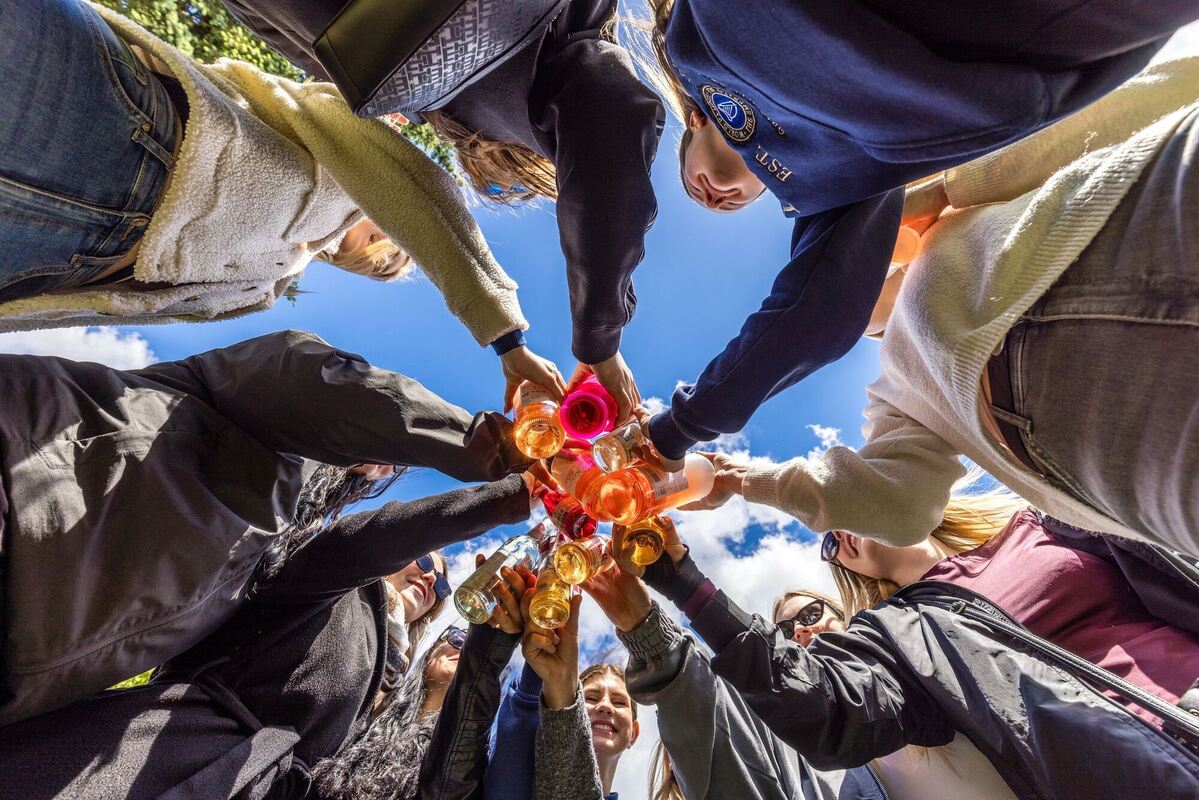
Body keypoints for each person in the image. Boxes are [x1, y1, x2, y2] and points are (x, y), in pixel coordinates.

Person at [618, 0, 1199, 470]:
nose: (719, 197)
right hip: (1012, 35)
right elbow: (808, 318)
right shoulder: (833, 187)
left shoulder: (690, 44)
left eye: (692, 184)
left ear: (692, 122)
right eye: (737, 203)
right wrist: (679, 429)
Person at [684, 53, 1199, 558]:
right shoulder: (898, 390)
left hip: (1117, 229)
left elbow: (1157, 94)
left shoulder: (962, 208)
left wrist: (940, 192)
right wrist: (741, 480)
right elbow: (902, 508)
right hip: (1133, 470)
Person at [0, 0, 564, 408]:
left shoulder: (264, 287)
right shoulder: (341, 162)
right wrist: (506, 339)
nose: (393, 255)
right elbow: (413, 191)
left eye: (388, 268)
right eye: (403, 248)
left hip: (58, 257)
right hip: (129, 125)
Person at [0, 328, 530, 725]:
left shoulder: (268, 561)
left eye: (440, 585)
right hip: (28, 490)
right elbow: (319, 388)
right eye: (388, 455)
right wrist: (507, 457)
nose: (385, 467)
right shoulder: (266, 431)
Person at [221, 0, 666, 420]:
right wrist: (597, 338)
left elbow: (293, 39)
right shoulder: (547, 56)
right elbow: (610, 123)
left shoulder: (416, 93)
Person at [607, 498, 1199, 798]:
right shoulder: (896, 636)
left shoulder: (1034, 521)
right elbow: (826, 704)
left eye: (842, 507)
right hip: (1134, 761)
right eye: (829, 542)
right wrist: (684, 582)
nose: (839, 533)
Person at [0, 475, 539, 799]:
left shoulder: (395, 685)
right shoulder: (335, 586)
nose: (430, 576)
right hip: (169, 750)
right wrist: (510, 497)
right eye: (423, 561)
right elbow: (367, 540)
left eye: (442, 580)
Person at [584, 527, 887, 800]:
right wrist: (650, 632)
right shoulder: (794, 751)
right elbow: (715, 725)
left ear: (843, 613)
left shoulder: (907, 671)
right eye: (783, 633)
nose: (799, 630)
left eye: (810, 615)